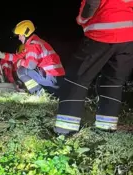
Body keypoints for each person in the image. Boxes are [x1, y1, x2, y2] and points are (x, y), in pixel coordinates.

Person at [54, 0, 133, 135]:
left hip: (103, 30)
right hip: (129, 36)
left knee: (77, 77)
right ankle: (106, 128)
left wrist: (82, 18)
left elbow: (92, 3)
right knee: (113, 81)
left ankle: (65, 129)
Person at [0, 20, 65, 96]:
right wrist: (2, 55)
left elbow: (31, 65)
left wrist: (21, 62)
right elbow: (18, 56)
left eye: (19, 35)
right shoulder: (35, 42)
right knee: (23, 68)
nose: (19, 38)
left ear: (25, 34)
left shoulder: (33, 45)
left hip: (52, 77)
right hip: (55, 76)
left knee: (21, 70)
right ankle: (39, 92)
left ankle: (39, 94)